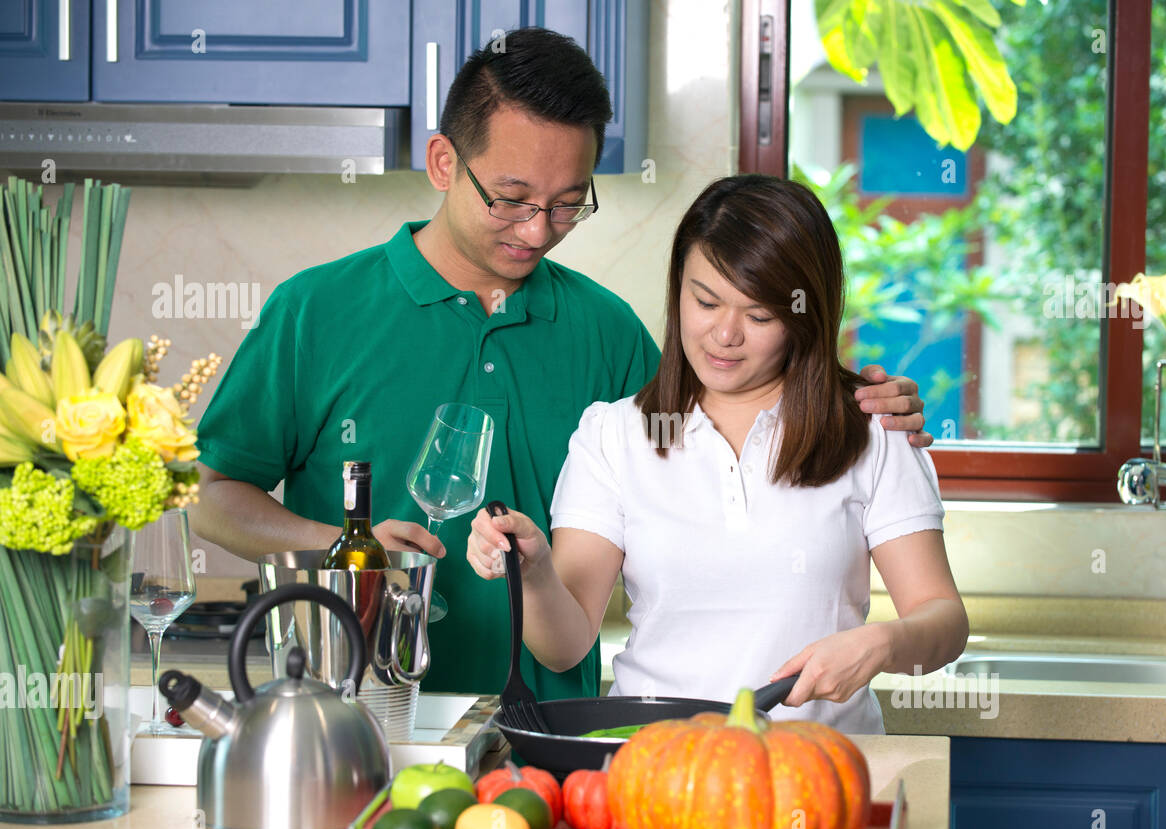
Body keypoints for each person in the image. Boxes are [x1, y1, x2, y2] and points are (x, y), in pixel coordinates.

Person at [194, 28, 934, 702]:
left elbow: (714, 441)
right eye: (512, 199)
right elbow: (210, 495)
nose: (537, 229)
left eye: (566, 205)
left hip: (551, 725)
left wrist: (851, 399)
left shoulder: (606, 331)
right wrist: (338, 546)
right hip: (354, 706)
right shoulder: (315, 311)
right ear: (444, 162)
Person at [467, 175, 967, 732]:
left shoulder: (873, 431)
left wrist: (882, 644)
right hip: (658, 770)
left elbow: (944, 626)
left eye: (759, 316)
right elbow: (564, 647)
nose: (724, 335)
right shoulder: (614, 435)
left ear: (805, 315)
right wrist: (533, 574)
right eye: (705, 301)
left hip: (814, 773)